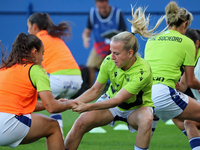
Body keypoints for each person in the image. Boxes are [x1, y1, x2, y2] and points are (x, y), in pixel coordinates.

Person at [64, 6, 166, 150]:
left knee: (147, 119)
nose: (111, 57)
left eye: (116, 53)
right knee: (81, 121)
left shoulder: (142, 70)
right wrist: (71, 102)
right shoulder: (108, 61)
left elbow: (118, 99)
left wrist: (88, 106)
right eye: (111, 52)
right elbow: (95, 90)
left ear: (130, 53)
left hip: (136, 109)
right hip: (111, 105)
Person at [0, 33, 77, 149]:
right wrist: (69, 104)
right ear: (34, 52)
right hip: (8, 124)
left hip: (6, 121)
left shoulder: (4, 68)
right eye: (42, 53)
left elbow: (22, 105)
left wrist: (57, 102)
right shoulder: (36, 69)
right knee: (53, 126)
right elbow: (52, 107)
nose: (42, 58)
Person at [144, 1, 200, 149]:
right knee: (189, 120)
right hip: (163, 93)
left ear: (167, 22)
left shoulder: (151, 39)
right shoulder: (187, 42)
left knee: (152, 120)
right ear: (185, 24)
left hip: (145, 93)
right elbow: (192, 82)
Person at [27, 12, 83, 135]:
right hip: (77, 81)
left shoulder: (36, 41)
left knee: (27, 95)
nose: (28, 30)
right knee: (54, 102)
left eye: (28, 26)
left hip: (58, 79)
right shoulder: (55, 38)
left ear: (34, 26)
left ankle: (20, 128)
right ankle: (59, 134)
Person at [82, 0, 127, 88]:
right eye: (100, 8)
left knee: (121, 66)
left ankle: (121, 88)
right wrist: (85, 39)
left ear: (107, 3)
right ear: (96, 5)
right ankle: (90, 89)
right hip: (99, 46)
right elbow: (86, 32)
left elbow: (125, 32)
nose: (102, 10)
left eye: (104, 7)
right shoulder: (92, 13)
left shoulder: (117, 13)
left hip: (115, 45)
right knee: (90, 65)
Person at [172, 28, 200, 150]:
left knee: (189, 122)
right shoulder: (189, 60)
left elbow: (192, 82)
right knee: (173, 113)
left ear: (196, 44)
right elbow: (184, 85)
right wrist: (173, 86)